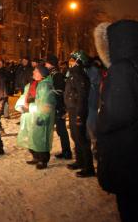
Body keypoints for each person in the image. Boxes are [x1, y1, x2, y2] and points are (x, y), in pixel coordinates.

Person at [94, 20, 138, 221]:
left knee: (128, 205)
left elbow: (116, 113)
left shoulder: (121, 69)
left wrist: (100, 126)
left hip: (125, 151)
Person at [15, 65, 56, 169]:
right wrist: (21, 105)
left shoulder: (46, 86)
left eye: (35, 71)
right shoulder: (31, 84)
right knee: (32, 136)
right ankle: (35, 156)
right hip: (30, 115)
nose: (33, 72)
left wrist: (34, 109)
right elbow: (25, 95)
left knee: (41, 137)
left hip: (40, 115)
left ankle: (43, 160)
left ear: (41, 74)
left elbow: (47, 104)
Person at [64, 50, 95, 178]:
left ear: (78, 61)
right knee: (75, 136)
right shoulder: (73, 73)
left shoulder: (79, 75)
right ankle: (80, 161)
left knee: (81, 139)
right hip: (72, 109)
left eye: (72, 59)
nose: (70, 61)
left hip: (78, 111)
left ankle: (89, 168)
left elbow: (82, 97)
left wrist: (79, 115)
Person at [45, 55, 72, 159]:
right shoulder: (51, 74)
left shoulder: (57, 75)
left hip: (58, 106)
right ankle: (65, 151)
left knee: (62, 130)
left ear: (51, 63)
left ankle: (67, 152)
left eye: (47, 62)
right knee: (59, 130)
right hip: (53, 106)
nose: (45, 64)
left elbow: (60, 91)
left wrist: (48, 92)